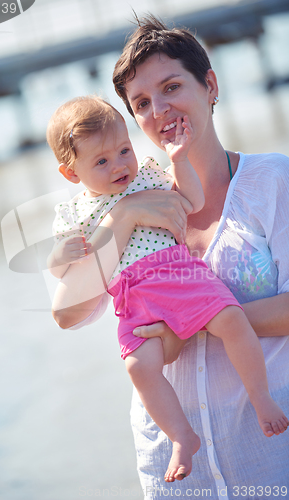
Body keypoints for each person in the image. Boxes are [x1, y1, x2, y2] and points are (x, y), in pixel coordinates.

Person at [46, 94, 288, 484]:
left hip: (179, 276)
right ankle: (180, 436)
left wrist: (178, 161)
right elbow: (64, 288)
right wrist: (59, 256)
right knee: (138, 367)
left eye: (124, 150)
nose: (120, 165)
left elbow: (191, 200)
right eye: (101, 161)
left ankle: (261, 398)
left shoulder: (148, 177)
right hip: (133, 296)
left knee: (230, 319)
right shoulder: (74, 215)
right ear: (72, 174)